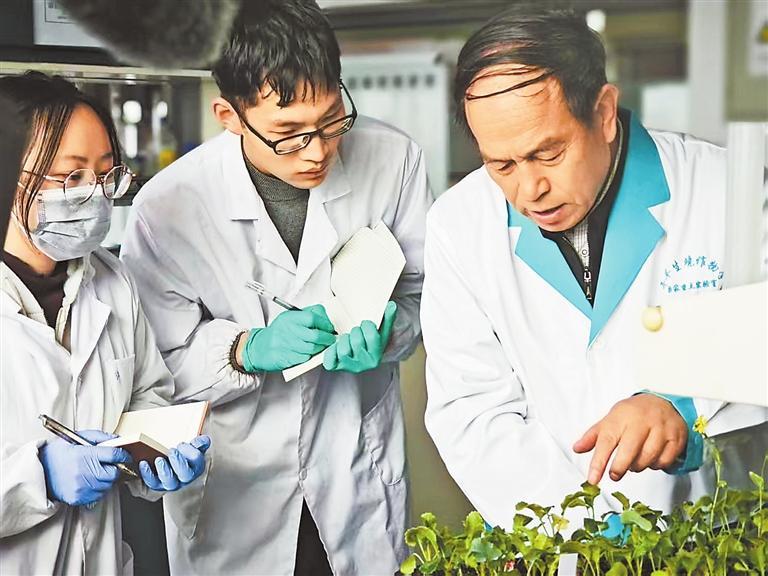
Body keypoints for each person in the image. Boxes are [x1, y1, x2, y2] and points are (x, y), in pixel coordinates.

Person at [421, 7, 768, 530]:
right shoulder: (459, 225)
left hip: (717, 531)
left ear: (604, 112)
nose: (529, 190)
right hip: (560, 543)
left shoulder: (724, 190)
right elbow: (473, 409)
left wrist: (684, 403)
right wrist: (577, 530)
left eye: (548, 153)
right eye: (501, 165)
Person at [119, 1, 432, 574]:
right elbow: (152, 370)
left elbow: (419, 295)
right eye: (288, 134)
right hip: (236, 489)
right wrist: (245, 350)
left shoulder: (395, 160)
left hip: (356, 472)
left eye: (332, 120)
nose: (317, 151)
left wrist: (391, 334)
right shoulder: (166, 207)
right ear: (229, 115)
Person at [0, 72, 211, 575]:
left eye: (104, 175)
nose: (94, 195)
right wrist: (39, 476)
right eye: (71, 176)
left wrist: (152, 454)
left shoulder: (112, 281)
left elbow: (146, 394)